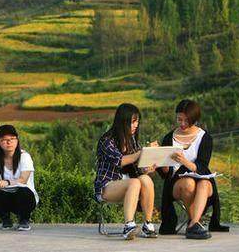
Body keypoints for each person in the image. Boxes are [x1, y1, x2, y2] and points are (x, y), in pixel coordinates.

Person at [157, 99, 229, 239]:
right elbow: (166, 173)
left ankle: (193, 223)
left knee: (204, 183)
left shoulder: (204, 137)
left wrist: (184, 161)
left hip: (200, 177)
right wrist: (160, 162)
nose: (182, 124)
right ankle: (195, 225)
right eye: (179, 120)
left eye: (186, 120)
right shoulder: (169, 138)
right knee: (188, 183)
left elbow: (202, 166)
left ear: (194, 119)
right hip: (178, 183)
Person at [93, 103, 157, 240]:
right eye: (133, 122)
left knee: (145, 179)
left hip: (130, 184)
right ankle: (128, 226)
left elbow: (136, 168)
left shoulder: (132, 140)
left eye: (137, 121)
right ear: (123, 122)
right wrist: (142, 152)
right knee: (134, 183)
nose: (136, 125)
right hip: (107, 186)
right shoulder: (107, 140)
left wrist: (147, 168)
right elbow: (120, 160)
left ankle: (148, 224)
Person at [0, 125, 38, 231]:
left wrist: (7, 182)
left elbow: (23, 179)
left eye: (12, 139)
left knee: (24, 191)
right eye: (5, 140)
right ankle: (6, 219)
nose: (9, 142)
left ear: (17, 141)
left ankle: (24, 219)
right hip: (6, 196)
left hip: (24, 198)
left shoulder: (25, 157)